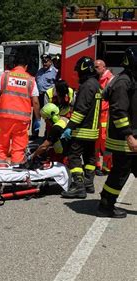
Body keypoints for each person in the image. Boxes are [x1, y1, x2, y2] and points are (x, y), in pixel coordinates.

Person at [97, 46, 137, 218]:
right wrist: (129, 135)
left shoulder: (131, 79)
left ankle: (106, 201)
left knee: (122, 171)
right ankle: (106, 205)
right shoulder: (123, 82)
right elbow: (119, 111)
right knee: (120, 172)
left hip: (130, 136)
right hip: (124, 138)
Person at [61, 56, 101, 199]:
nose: (77, 74)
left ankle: (78, 186)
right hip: (93, 129)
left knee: (74, 156)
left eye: (78, 71)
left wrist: (70, 127)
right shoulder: (96, 84)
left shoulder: (86, 86)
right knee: (90, 156)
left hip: (83, 129)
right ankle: (88, 183)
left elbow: (81, 110)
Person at [0, 55, 41, 166]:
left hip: (4, 119)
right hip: (22, 121)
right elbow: (36, 102)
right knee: (19, 146)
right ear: (26, 67)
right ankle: (16, 169)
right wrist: (38, 118)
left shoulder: (5, 76)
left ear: (14, 65)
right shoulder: (31, 80)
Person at [94, 59, 114, 175]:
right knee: (96, 142)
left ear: (103, 67)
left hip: (105, 114)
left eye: (97, 67)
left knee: (105, 142)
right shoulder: (96, 79)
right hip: (97, 114)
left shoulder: (110, 79)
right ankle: (98, 165)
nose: (95, 69)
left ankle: (107, 166)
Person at [34, 54, 58, 138]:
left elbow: (56, 84)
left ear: (50, 61)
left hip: (48, 96)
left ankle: (47, 134)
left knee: (48, 115)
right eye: (43, 62)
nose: (44, 63)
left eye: (46, 61)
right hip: (39, 95)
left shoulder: (55, 72)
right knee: (36, 113)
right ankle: (35, 133)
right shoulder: (40, 71)